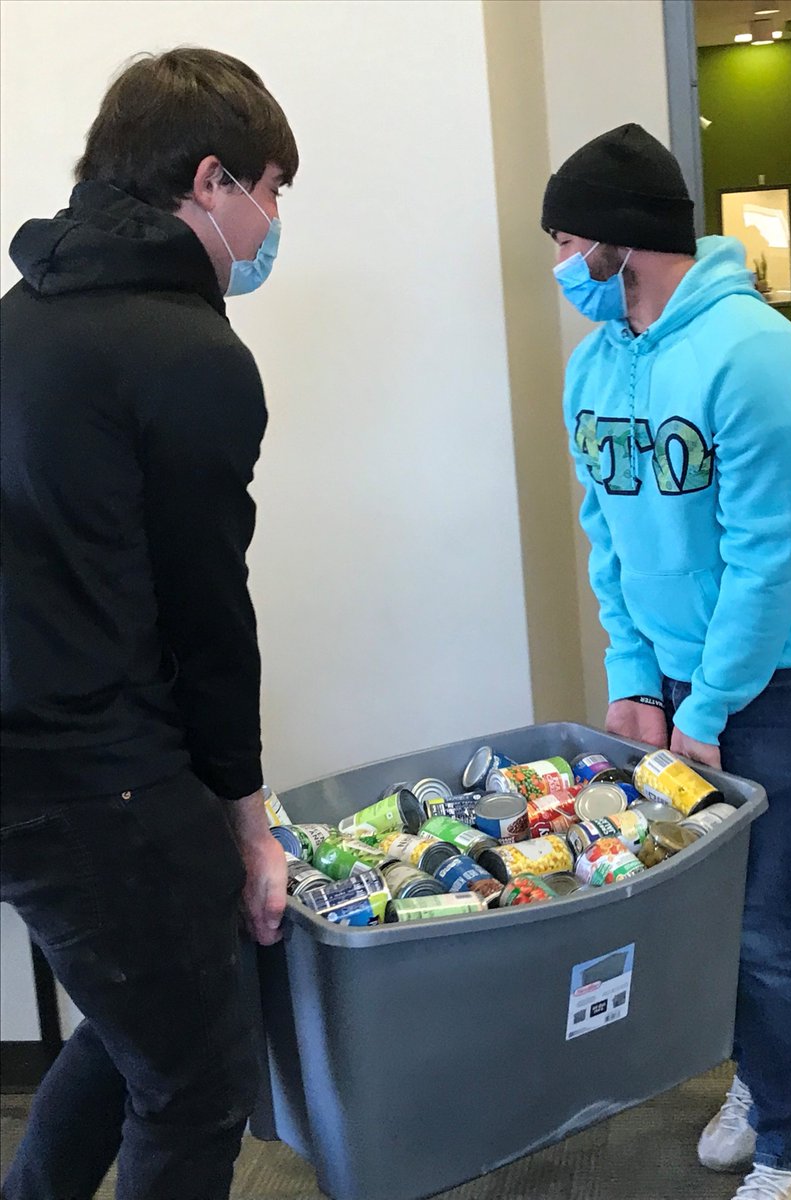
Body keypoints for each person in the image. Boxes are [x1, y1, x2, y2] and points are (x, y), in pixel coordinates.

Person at [542, 123, 791, 1200]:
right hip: (683, 677)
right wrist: (637, 680)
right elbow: (608, 536)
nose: (561, 266)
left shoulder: (758, 356)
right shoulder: (596, 367)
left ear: (620, 241)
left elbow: (772, 558)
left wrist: (710, 704)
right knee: (703, 906)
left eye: (568, 243)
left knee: (763, 915)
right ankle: (764, 1080)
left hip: (790, 676)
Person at [1, 48, 298, 1200]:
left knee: (140, 1023)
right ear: (211, 181)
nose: (272, 222)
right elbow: (207, 617)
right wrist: (249, 824)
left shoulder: (24, 317)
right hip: (96, 778)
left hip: (32, 765)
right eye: (271, 190)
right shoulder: (189, 354)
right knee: (196, 1084)